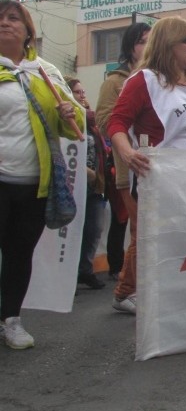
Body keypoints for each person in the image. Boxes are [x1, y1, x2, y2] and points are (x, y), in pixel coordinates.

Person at [106, 17, 186, 314]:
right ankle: (141, 297)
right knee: (157, 242)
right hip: (160, 180)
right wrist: (127, 154)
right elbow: (116, 122)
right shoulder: (145, 81)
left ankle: (184, 297)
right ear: (169, 44)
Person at [0, 0, 85, 349]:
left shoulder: (46, 73)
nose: (5, 23)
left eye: (13, 17)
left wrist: (70, 113)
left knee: (19, 254)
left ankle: (12, 320)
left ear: (28, 30)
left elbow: (77, 125)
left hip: (35, 184)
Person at [95, 22, 151, 281]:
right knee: (138, 227)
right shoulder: (115, 81)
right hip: (128, 166)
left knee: (153, 230)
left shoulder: (161, 78)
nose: (147, 47)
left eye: (152, 41)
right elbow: (106, 122)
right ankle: (128, 285)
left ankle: (141, 284)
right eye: (142, 41)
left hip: (159, 166)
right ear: (130, 47)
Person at [67, 78, 106, 290]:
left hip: (94, 186)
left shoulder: (91, 122)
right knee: (72, 232)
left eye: (83, 91)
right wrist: (84, 171)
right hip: (73, 184)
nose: (82, 95)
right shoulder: (68, 120)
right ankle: (68, 276)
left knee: (94, 230)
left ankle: (85, 270)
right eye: (76, 92)